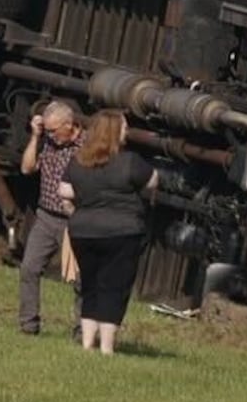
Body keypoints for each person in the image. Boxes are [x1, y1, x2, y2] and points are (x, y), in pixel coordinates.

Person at [57, 109, 158, 354]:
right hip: (121, 232)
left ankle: (87, 344)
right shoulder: (130, 161)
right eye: (124, 128)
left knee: (90, 285)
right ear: (114, 132)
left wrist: (81, 204)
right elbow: (153, 181)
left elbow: (64, 192)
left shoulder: (79, 160)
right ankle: (107, 348)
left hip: (83, 231)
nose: (127, 131)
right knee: (114, 287)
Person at [17, 99, 83, 337]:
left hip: (72, 221)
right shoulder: (46, 143)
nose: (52, 135)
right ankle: (28, 325)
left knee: (80, 280)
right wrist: (36, 137)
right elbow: (26, 168)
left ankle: (81, 332)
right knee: (29, 268)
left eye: (54, 131)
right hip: (45, 216)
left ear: (70, 125)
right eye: (48, 130)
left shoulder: (86, 149)